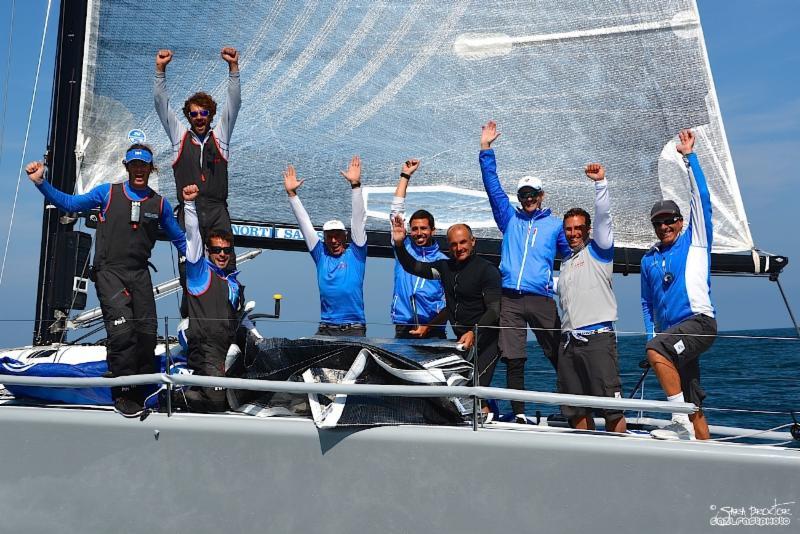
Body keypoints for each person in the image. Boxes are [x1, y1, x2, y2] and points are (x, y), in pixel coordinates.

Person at [25, 145, 186, 417]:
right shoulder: (107, 193)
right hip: (109, 271)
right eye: (134, 165)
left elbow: (180, 239)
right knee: (122, 331)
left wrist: (203, 264)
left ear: (151, 168)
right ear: (127, 166)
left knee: (146, 336)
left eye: (143, 165)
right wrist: (42, 182)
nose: (138, 170)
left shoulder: (159, 203)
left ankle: (144, 389)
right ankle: (122, 393)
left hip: (140, 273)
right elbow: (71, 204)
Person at [479, 120, 572, 421]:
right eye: (523, 195)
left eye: (533, 194)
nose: (528, 199)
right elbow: (493, 188)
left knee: (558, 353)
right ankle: (518, 412)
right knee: (514, 357)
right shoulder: (509, 219)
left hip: (541, 298)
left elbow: (572, 256)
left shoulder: (556, 224)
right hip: (511, 299)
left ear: (542, 195)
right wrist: (485, 149)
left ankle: (572, 408)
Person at [641, 129, 717, 441]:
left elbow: (703, 200)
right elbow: (647, 303)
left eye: (670, 220)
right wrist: (652, 332)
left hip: (698, 323)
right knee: (692, 398)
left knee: (656, 350)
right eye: (658, 222)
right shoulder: (649, 260)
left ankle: (678, 421)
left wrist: (690, 158)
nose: (664, 226)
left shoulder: (695, 241)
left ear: (681, 222)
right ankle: (706, 453)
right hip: (673, 334)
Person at [391, 216, 502, 392]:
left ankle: (495, 415)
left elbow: (495, 310)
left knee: (475, 390)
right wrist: (399, 245)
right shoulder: (445, 268)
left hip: (486, 341)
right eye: (453, 244)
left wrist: (474, 332)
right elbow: (413, 267)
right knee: (456, 388)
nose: (459, 248)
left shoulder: (487, 270)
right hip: (461, 342)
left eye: (463, 242)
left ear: (473, 241)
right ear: (448, 246)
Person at [154, 46, 241, 269]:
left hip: (217, 211)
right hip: (189, 211)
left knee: (225, 270)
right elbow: (161, 106)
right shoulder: (179, 138)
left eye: (204, 113)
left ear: (211, 115)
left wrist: (233, 68)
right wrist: (160, 71)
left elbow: (234, 104)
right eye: (194, 114)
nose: (199, 118)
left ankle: (229, 303)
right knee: (190, 272)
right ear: (188, 116)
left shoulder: (220, 137)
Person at [556, 163, 626, 433]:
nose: (573, 233)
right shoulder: (566, 264)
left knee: (610, 407)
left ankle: (618, 462)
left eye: (578, 228)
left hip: (597, 340)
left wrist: (600, 184)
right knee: (575, 408)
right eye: (568, 229)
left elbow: (604, 218)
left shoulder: (600, 252)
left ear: (587, 230)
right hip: (568, 343)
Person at [284, 156, 368, 336]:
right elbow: (304, 224)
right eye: (329, 237)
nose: (334, 241)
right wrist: (292, 195)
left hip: (354, 328)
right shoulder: (320, 254)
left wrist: (355, 185)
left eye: (338, 236)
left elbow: (358, 219)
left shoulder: (356, 253)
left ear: (345, 237)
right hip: (326, 328)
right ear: (324, 238)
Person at [181, 184, 244, 412]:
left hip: (227, 347)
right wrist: (189, 205)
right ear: (208, 251)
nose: (222, 254)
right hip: (205, 347)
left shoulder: (233, 282)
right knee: (216, 402)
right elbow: (193, 239)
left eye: (227, 251)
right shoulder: (200, 274)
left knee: (236, 400)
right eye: (217, 250)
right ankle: (173, 395)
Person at [389, 159, 448, 339]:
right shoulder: (403, 247)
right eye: (414, 229)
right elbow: (395, 211)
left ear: (433, 231)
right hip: (403, 326)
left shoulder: (445, 261)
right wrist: (405, 176)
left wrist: (429, 326)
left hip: (433, 329)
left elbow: (451, 301)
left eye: (423, 228)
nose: (419, 233)